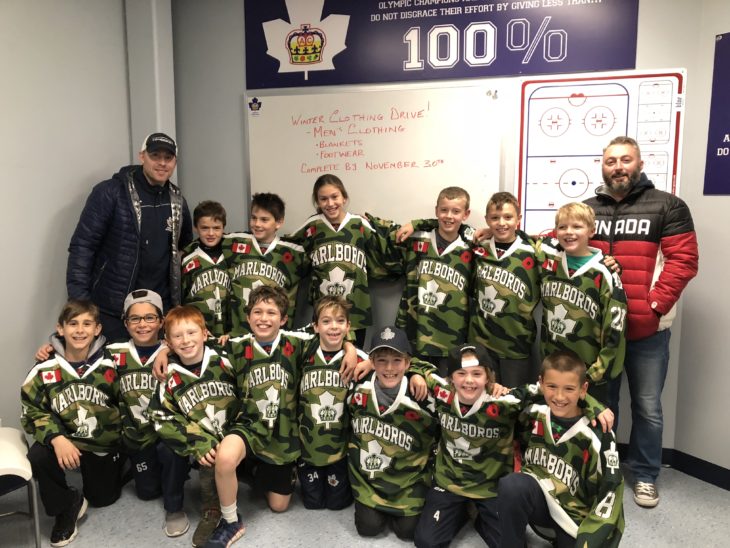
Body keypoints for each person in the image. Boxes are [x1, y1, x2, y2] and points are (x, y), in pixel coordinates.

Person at [585, 135, 699, 507]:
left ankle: (646, 475)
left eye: (625, 160)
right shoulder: (588, 209)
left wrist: (654, 306)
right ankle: (605, 469)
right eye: (611, 161)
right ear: (603, 166)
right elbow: (560, 238)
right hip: (601, 332)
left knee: (647, 406)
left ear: (640, 163)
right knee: (602, 404)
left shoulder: (668, 206)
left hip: (647, 331)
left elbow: (684, 262)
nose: (618, 166)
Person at [66, 132, 193, 342]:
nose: (162, 163)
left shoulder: (177, 200)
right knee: (111, 373)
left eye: (168, 158)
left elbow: (185, 248)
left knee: (153, 373)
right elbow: (83, 247)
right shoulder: (110, 193)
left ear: (175, 162)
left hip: (159, 313)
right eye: (155, 156)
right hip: (112, 311)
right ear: (142, 156)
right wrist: (81, 305)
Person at [21, 300, 124, 547]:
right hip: (65, 439)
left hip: (101, 442)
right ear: (60, 328)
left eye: (87, 324)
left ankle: (120, 463)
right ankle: (66, 506)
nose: (80, 330)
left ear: (97, 329)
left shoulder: (114, 362)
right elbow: (31, 410)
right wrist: (57, 438)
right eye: (73, 324)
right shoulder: (45, 368)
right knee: (38, 456)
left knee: (102, 498)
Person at [497, 350, 624, 547]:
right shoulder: (533, 412)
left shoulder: (600, 435)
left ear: (584, 389)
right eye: (552, 386)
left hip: (575, 520)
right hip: (540, 504)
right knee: (512, 486)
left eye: (569, 389)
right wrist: (493, 386)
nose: (559, 396)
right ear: (541, 384)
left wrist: (590, 538)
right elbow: (503, 403)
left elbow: (611, 494)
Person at [147, 305, 240, 548]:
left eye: (191, 333)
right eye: (177, 336)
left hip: (238, 435)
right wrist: (197, 440)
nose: (186, 341)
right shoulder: (168, 374)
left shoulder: (225, 356)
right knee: (207, 456)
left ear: (205, 333)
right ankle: (213, 510)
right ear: (168, 341)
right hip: (206, 443)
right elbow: (160, 417)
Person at [369, 186, 474, 374]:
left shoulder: (472, 245)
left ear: (466, 214)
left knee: (447, 389)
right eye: (444, 210)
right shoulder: (418, 238)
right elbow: (385, 234)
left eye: (456, 211)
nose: (449, 216)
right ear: (436, 211)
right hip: (415, 330)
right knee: (414, 388)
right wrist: (363, 221)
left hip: (453, 335)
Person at [347, 326, 438, 541]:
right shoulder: (358, 385)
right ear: (372, 362)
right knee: (368, 528)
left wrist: (418, 372)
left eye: (397, 361)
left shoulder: (422, 394)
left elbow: (458, 384)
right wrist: (352, 348)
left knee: (407, 532)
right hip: (370, 478)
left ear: (407, 363)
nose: (389, 368)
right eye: (381, 361)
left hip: (409, 481)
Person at [537, 202, 627, 405]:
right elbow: (517, 239)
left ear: (591, 230)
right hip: (554, 370)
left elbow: (615, 330)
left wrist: (597, 372)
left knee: (593, 428)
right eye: (562, 227)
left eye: (577, 227)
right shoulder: (548, 257)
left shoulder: (605, 272)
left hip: (590, 373)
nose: (569, 232)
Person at [288, 174, 392, 347]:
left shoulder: (359, 225)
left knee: (354, 363)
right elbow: (287, 250)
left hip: (356, 310)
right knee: (327, 361)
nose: (330, 203)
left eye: (334, 197)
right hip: (325, 313)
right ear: (317, 202)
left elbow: (386, 247)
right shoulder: (312, 226)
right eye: (323, 199)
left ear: (344, 198)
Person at [297, 296, 368, 510]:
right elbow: (282, 335)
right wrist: (349, 345)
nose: (333, 326)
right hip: (308, 447)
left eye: (340, 321)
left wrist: (361, 355)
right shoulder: (304, 350)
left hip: (339, 448)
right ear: (315, 327)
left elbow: (394, 362)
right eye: (326, 321)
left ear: (348, 326)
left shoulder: (358, 359)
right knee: (313, 504)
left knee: (337, 504)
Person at [470, 192, 541, 386]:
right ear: (487, 220)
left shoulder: (535, 250)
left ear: (519, 219)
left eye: (508, 217)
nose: (501, 223)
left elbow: (567, 244)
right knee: (483, 400)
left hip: (516, 343)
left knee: (513, 402)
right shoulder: (478, 248)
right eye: (495, 218)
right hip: (481, 341)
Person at [226, 192, 308, 336]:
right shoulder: (233, 242)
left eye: (264, 220)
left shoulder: (295, 252)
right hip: (238, 333)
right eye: (254, 218)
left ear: (279, 222)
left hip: (277, 336)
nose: (257, 224)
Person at [181, 201, 231, 340]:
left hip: (230, 332)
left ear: (223, 227)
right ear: (195, 227)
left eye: (216, 228)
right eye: (204, 228)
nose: (211, 233)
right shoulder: (186, 257)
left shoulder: (233, 253)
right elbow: (180, 298)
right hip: (197, 332)